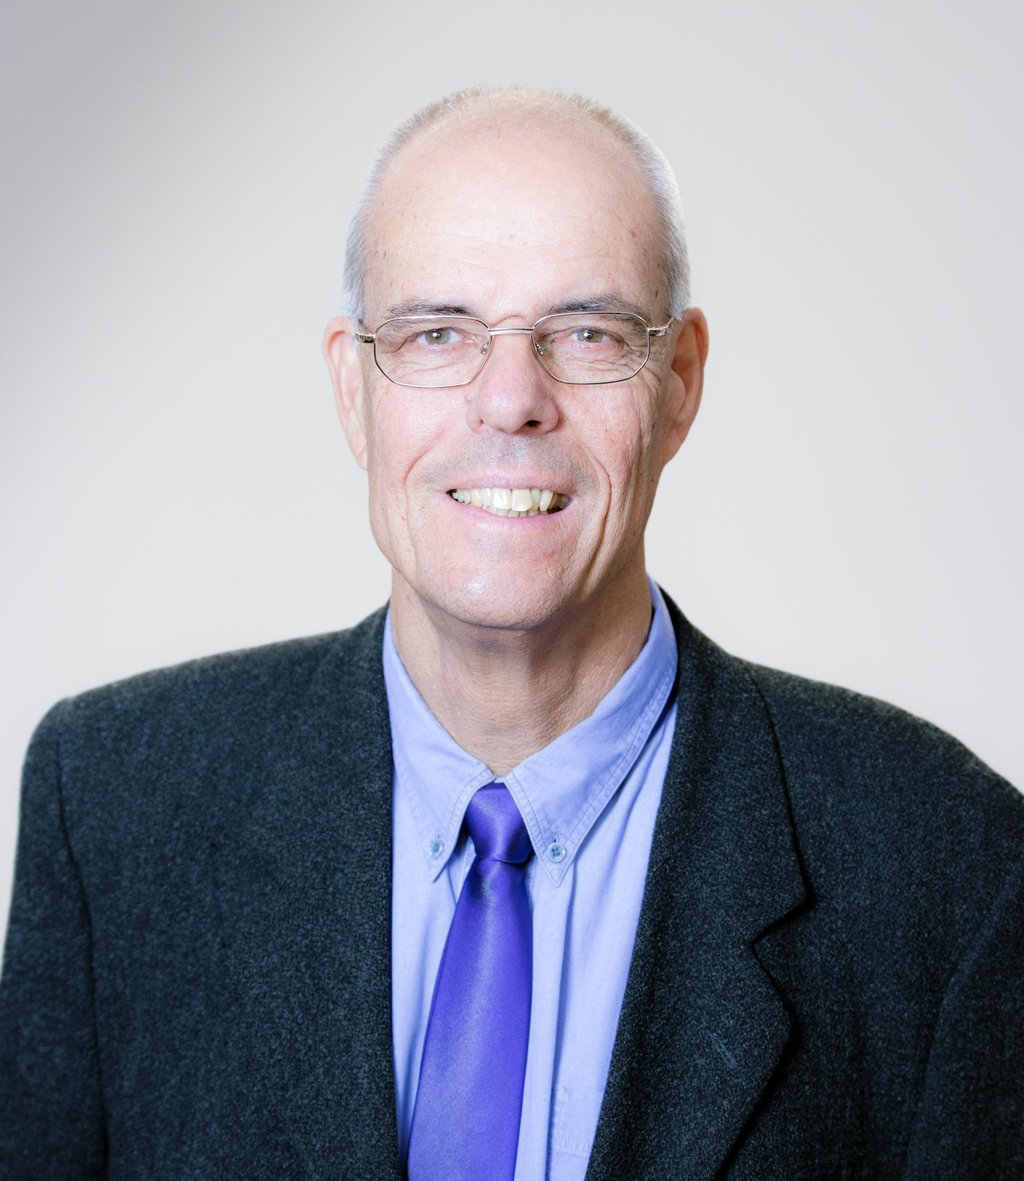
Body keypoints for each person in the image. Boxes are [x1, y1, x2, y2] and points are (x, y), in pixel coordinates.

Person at [1, 85, 1021, 1181]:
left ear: (679, 382)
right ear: (352, 386)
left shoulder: (950, 864)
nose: (510, 400)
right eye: (437, 333)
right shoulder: (112, 802)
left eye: (586, 333)